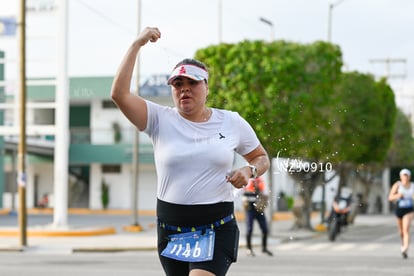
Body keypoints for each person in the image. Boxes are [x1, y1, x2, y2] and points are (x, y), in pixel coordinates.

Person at [111, 27, 270, 276]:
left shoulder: (231, 122)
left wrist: (249, 170)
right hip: (171, 230)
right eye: (178, 84)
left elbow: (261, 158)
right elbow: (119, 94)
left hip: (216, 227)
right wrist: (137, 44)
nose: (184, 89)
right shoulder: (158, 119)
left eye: (192, 83)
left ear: (206, 87)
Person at [242, 176, 273, 257]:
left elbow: (265, 194)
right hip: (250, 207)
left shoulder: (260, 180)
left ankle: (264, 248)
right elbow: (243, 193)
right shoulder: (247, 179)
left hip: (259, 208)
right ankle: (249, 249)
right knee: (249, 229)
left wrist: (264, 202)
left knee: (265, 228)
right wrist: (244, 201)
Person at [388, 168, 414, 259]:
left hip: (409, 210)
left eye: (407, 176)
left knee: (406, 229)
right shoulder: (397, 185)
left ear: (409, 177)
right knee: (401, 232)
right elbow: (390, 197)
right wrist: (398, 195)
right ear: (401, 176)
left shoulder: (412, 186)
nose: (405, 177)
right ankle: (403, 245)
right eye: (404, 175)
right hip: (399, 209)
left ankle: (405, 249)